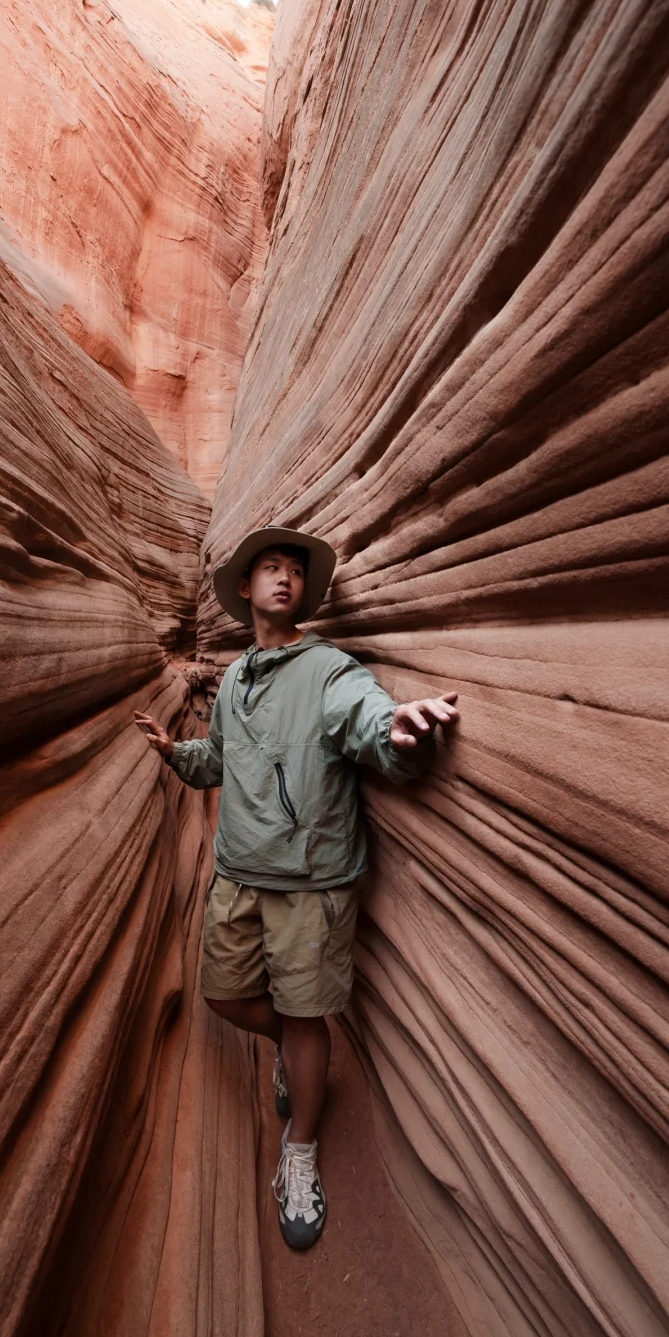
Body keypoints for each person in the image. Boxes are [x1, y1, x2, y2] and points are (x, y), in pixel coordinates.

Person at [134, 526, 459, 1250]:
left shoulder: (329, 670)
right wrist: (177, 754)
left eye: (295, 570)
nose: (285, 578)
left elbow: (366, 716)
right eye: (270, 568)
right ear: (245, 590)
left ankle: (302, 1147)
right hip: (239, 874)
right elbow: (222, 759)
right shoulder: (236, 679)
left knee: (308, 1020)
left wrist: (399, 728)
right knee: (224, 996)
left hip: (311, 883)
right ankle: (294, 1047)